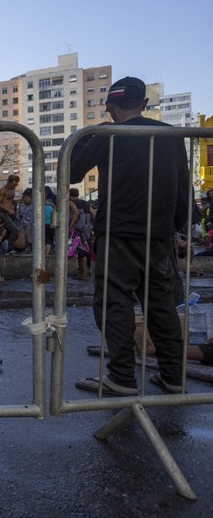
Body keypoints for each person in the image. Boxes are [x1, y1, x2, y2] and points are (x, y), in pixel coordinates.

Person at [70, 76, 190, 396]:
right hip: (160, 234)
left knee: (115, 304)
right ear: (144, 105)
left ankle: (122, 377)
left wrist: (83, 138)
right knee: (161, 305)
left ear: (110, 105)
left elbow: (71, 172)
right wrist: (174, 228)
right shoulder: (171, 135)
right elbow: (183, 187)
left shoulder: (108, 134)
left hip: (119, 232)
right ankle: (174, 376)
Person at [67, 188, 94, 280]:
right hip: (86, 230)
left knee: (80, 252)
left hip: (77, 229)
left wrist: (71, 225)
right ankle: (82, 272)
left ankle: (84, 274)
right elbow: (93, 214)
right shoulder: (86, 203)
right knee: (84, 250)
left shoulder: (70, 202)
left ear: (69, 195)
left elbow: (76, 213)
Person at [0, 174, 26, 250]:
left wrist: (18, 201)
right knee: (15, 230)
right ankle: (10, 249)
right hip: (2, 213)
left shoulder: (12, 190)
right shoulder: (3, 190)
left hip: (10, 214)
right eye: (13, 184)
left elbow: (9, 201)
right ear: (9, 182)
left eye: (16, 184)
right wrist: (8, 210)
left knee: (8, 232)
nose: (14, 186)